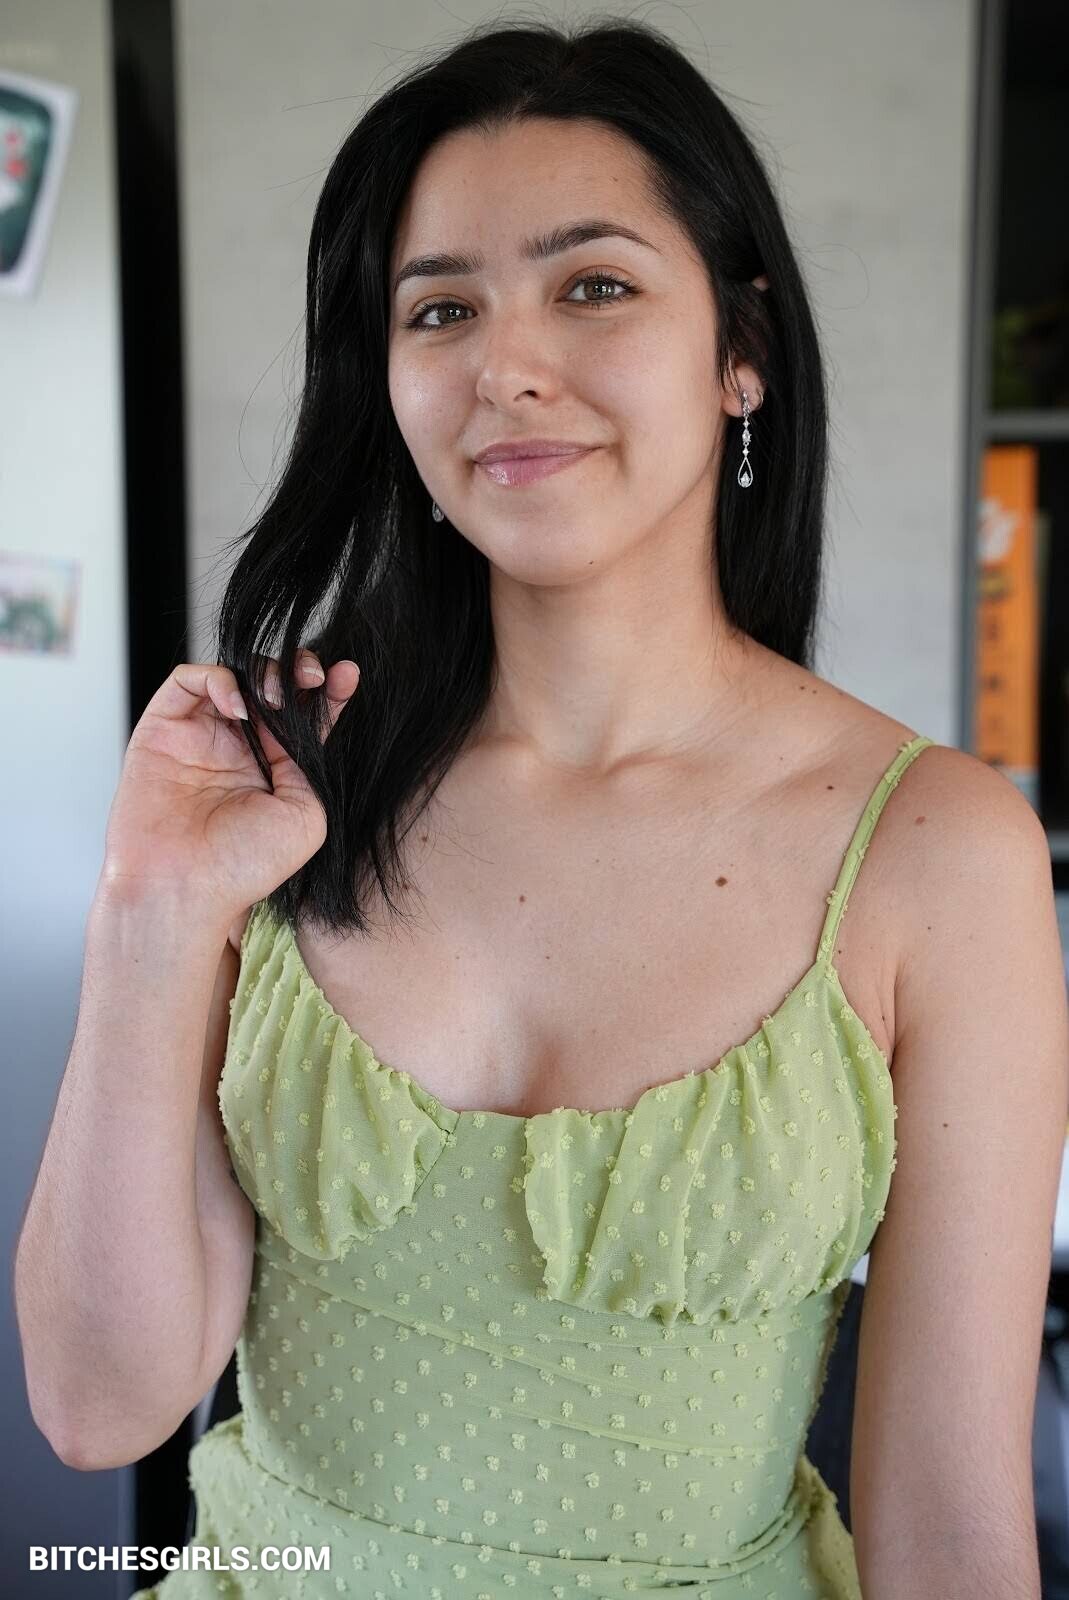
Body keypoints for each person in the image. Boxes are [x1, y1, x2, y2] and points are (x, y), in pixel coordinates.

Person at [15, 15, 1068, 1599]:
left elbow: (950, 1532)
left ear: (740, 350)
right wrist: (149, 911)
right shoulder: (286, 791)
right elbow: (98, 1409)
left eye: (593, 286)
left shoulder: (935, 852)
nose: (504, 366)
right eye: (440, 309)